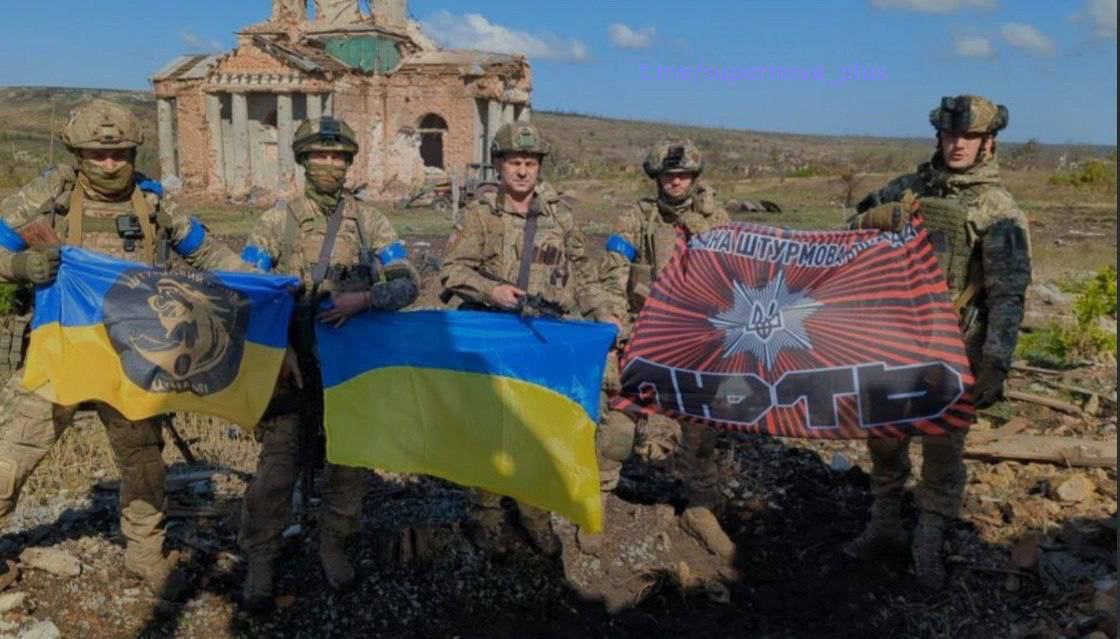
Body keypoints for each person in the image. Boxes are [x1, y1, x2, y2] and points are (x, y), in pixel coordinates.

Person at [0, 99, 241, 597]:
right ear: (78, 154)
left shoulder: (154, 202)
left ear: (134, 152)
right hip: (62, 351)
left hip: (133, 356)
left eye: (120, 154)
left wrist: (266, 284)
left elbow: (210, 252)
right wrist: (20, 268)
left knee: (144, 464)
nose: (110, 164)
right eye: (97, 154)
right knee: (13, 452)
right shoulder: (50, 193)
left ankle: (146, 557)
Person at [844, 95, 1031, 591]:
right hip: (893, 343)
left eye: (968, 138)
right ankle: (885, 523)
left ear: (987, 143)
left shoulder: (998, 209)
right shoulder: (905, 190)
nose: (958, 146)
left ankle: (928, 539)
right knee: (884, 440)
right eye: (951, 136)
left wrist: (994, 363)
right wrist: (873, 221)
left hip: (953, 352)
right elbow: (847, 237)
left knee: (943, 451)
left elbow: (1007, 295)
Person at [234, 116, 420, 610]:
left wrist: (367, 300)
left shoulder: (368, 221)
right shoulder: (277, 221)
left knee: (347, 468)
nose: (330, 165)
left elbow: (407, 282)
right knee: (277, 473)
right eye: (320, 155)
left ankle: (334, 546)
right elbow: (246, 294)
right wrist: (280, 353)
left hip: (350, 370)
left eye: (338, 156)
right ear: (302, 159)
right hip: (290, 368)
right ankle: (261, 559)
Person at [439, 121, 611, 558]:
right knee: (492, 431)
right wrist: (490, 292)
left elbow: (584, 275)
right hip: (495, 338)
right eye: (514, 162)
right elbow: (452, 271)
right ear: (499, 165)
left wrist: (602, 316)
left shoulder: (559, 214)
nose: (522, 171)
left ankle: (534, 511)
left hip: (544, 340)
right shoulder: (480, 213)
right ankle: (489, 516)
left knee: (539, 428)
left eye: (530, 163)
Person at [588, 139, 736, 562]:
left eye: (684, 175)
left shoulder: (716, 219)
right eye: (669, 175)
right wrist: (614, 318)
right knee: (619, 422)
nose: (676, 182)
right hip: (645, 331)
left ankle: (700, 508)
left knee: (702, 430)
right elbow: (614, 273)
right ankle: (596, 500)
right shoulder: (636, 218)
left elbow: (734, 278)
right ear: (656, 178)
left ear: (694, 178)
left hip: (696, 336)